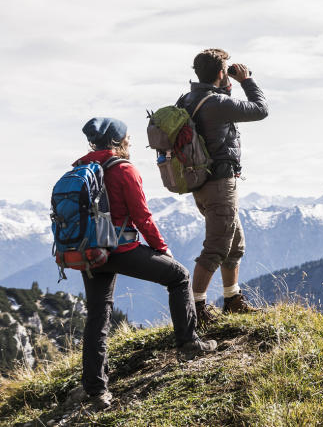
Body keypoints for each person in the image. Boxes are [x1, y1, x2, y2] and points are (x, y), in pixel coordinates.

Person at [74, 117, 216, 410]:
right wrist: (162, 249)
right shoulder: (123, 170)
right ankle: (189, 344)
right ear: (117, 142)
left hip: (90, 253)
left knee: (98, 315)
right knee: (178, 276)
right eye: (126, 137)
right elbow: (142, 216)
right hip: (121, 249)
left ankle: (95, 390)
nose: (130, 142)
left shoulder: (80, 169)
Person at [178, 48, 268, 325]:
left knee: (234, 243)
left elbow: (215, 116)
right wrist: (247, 81)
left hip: (202, 181)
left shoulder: (189, 98)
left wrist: (225, 87)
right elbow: (260, 110)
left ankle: (232, 299)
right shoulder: (215, 103)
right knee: (217, 247)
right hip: (219, 183)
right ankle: (196, 310)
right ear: (220, 73)